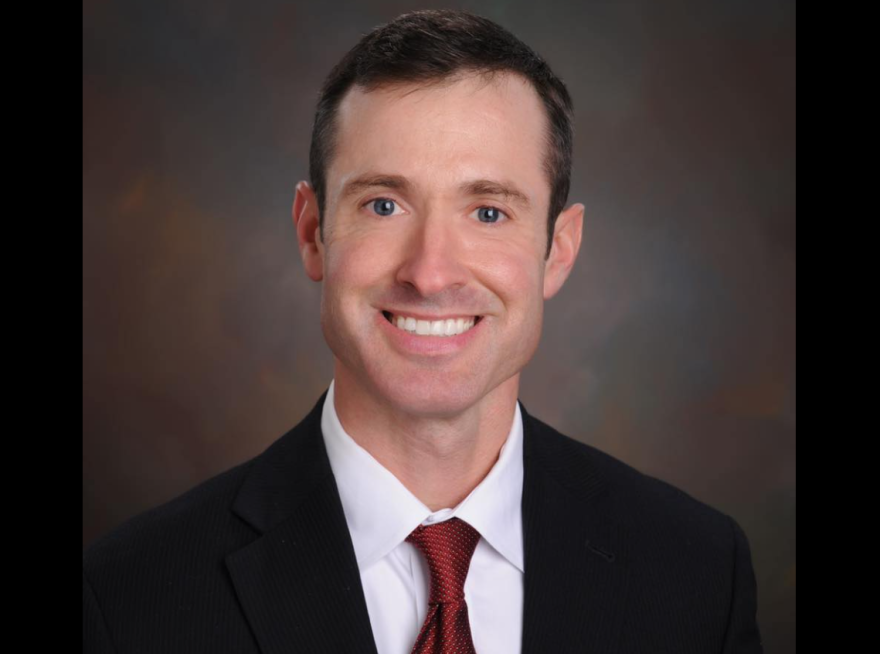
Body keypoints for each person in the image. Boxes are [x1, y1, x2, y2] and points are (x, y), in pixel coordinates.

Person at [83, 9, 763, 654]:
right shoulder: (130, 595)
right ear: (313, 233)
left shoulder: (699, 574)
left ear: (558, 249)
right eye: (383, 204)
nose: (431, 273)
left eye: (489, 212)